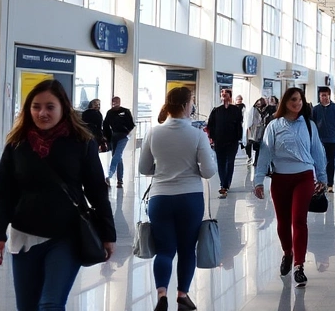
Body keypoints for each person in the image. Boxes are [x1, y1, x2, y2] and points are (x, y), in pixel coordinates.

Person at [0, 79, 117, 311]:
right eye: (36, 106)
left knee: (50, 304)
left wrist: (108, 234)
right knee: (27, 306)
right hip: (24, 236)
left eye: (50, 107)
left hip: (66, 236)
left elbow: (97, 190)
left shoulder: (82, 143)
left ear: (63, 108)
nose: (42, 113)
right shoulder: (17, 144)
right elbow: (3, 194)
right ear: (28, 109)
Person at [139, 86, 218, 311]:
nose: (193, 106)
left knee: (164, 250)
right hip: (190, 199)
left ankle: (162, 294)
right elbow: (209, 171)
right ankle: (182, 295)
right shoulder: (196, 134)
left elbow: (144, 168)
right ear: (185, 105)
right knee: (186, 250)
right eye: (192, 102)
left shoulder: (153, 132)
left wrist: (164, 168)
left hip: (160, 198)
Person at [253, 87, 328, 288]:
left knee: (299, 220)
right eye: (294, 99)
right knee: (283, 221)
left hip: (304, 177)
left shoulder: (309, 125)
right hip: (280, 178)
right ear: (285, 102)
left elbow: (318, 152)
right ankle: (287, 252)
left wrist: (322, 177)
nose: (298, 103)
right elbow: (265, 154)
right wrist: (258, 180)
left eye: (300, 99)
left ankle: (299, 266)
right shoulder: (274, 125)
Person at [206, 88, 244, 198]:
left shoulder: (235, 110)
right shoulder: (216, 110)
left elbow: (239, 124)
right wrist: (211, 137)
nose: (223, 96)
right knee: (221, 162)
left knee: (230, 162)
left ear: (230, 96)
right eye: (222, 94)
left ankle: (227, 183)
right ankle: (223, 184)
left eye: (226, 94)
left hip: (232, 141)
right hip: (219, 140)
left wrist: (239, 138)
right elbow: (210, 125)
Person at [314, 86, 335, 194]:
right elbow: (312, 124)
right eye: (322, 95)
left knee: (330, 162)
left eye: (325, 95)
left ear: (329, 95)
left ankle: (330, 184)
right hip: (318, 141)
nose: (323, 97)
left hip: (331, 140)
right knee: (318, 161)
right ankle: (319, 183)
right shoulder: (316, 109)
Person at [103, 96, 134, 188]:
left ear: (119, 102)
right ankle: (120, 180)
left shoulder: (125, 111)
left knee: (117, 154)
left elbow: (131, 124)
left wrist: (127, 130)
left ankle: (109, 175)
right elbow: (105, 125)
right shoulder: (110, 112)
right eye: (113, 102)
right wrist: (107, 137)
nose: (114, 104)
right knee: (118, 157)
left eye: (116, 102)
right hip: (114, 136)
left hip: (123, 136)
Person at [248, 97, 267, 166]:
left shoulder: (265, 110)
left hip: (261, 130)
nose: (258, 105)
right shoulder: (254, 109)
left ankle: (256, 160)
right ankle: (254, 160)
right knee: (254, 145)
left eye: (260, 103)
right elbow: (252, 120)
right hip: (255, 129)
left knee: (259, 146)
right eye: (257, 103)